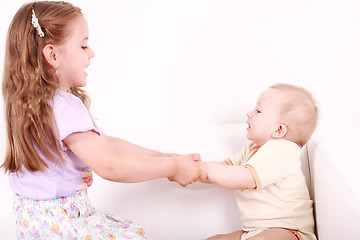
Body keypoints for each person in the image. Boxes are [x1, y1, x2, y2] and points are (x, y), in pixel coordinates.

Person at [1, 1, 203, 239]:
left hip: (36, 226)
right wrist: (174, 167)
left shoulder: (30, 105)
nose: (92, 52)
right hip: (63, 224)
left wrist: (162, 157)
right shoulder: (64, 106)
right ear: (52, 54)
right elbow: (110, 166)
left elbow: (104, 144)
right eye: (84, 45)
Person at [198, 83, 318, 240]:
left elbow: (243, 177)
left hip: (289, 232)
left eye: (258, 110)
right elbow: (226, 168)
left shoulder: (281, 150)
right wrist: (196, 169)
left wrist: (205, 169)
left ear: (279, 130)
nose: (249, 113)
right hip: (257, 230)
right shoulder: (252, 149)